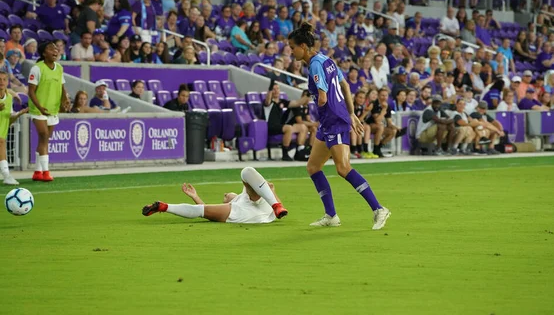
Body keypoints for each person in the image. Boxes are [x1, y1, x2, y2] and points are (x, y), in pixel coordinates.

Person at [289, 23, 390, 230]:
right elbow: (344, 85)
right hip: (331, 122)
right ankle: (331, 215)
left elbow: (324, 97)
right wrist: (351, 112)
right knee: (313, 167)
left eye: (292, 47)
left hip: (334, 121)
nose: (291, 52)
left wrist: (315, 102)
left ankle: (379, 209)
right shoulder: (327, 60)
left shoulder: (315, 65)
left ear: (303, 46)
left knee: (343, 168)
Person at [142, 167, 288, 222]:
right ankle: (163, 207)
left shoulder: (243, 195)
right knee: (246, 172)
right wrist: (195, 197)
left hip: (260, 209)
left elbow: (205, 210)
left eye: (226, 195)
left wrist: (271, 192)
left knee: (247, 172)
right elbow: (206, 209)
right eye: (225, 196)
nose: (225, 194)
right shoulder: (236, 203)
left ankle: (164, 207)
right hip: (249, 212)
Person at [28, 41, 69, 182]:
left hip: (53, 109)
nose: (55, 51)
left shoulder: (59, 68)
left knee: (44, 140)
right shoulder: (37, 68)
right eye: (51, 49)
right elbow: (31, 91)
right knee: (44, 135)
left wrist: (65, 100)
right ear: (44, 53)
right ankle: (46, 172)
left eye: (56, 49)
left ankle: (37, 172)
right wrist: (39, 107)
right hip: (38, 109)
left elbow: (62, 87)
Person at [263, 81, 310, 161]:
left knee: (303, 127)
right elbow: (267, 99)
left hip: (281, 125)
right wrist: (270, 89)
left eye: (277, 89)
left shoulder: (282, 102)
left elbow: (297, 103)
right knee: (288, 128)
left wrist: (309, 93)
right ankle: (285, 153)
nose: (276, 91)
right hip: (272, 126)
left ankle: (299, 151)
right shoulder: (269, 102)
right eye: (274, 89)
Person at [0, 71, 28, 185]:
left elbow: (9, 119)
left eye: (4, 79)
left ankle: (6, 175)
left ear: (7, 82)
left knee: (1, 143)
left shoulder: (9, 98)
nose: (1, 82)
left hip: (2, 131)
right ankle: (6, 175)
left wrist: (19, 114)